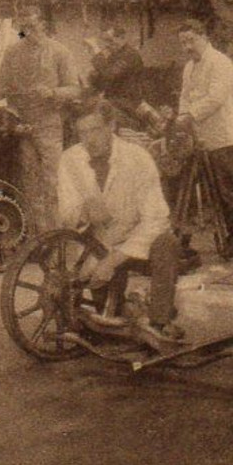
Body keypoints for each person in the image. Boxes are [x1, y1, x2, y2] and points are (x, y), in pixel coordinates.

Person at [58, 100, 185, 345]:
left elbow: (156, 219)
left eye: (95, 130)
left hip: (140, 239)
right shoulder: (70, 160)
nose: (89, 139)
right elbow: (66, 215)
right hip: (100, 241)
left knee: (166, 243)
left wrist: (113, 260)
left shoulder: (137, 158)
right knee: (109, 324)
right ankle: (128, 309)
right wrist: (84, 210)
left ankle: (159, 321)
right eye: (82, 132)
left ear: (111, 126)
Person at [0, 3, 82, 232]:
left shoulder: (60, 52)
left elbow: (75, 90)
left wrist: (53, 92)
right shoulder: (12, 53)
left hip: (49, 125)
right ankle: (37, 238)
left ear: (43, 24)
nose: (27, 32)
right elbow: (0, 88)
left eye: (32, 26)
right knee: (28, 183)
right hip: (22, 126)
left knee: (52, 183)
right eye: (23, 27)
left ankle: (57, 237)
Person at [176, 17, 233, 259]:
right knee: (188, 190)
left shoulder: (221, 63)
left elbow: (216, 98)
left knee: (226, 191)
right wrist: (183, 114)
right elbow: (184, 96)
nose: (187, 47)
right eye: (183, 42)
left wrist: (190, 115)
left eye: (191, 40)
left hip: (222, 136)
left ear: (204, 36)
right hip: (197, 137)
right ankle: (182, 239)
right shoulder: (189, 67)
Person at [86, 23, 144, 121]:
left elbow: (110, 75)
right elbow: (103, 82)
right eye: (105, 41)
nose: (107, 45)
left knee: (95, 118)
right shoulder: (114, 56)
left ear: (122, 38)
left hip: (127, 104)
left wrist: (96, 51)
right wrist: (94, 77)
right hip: (115, 102)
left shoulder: (130, 54)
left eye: (110, 41)